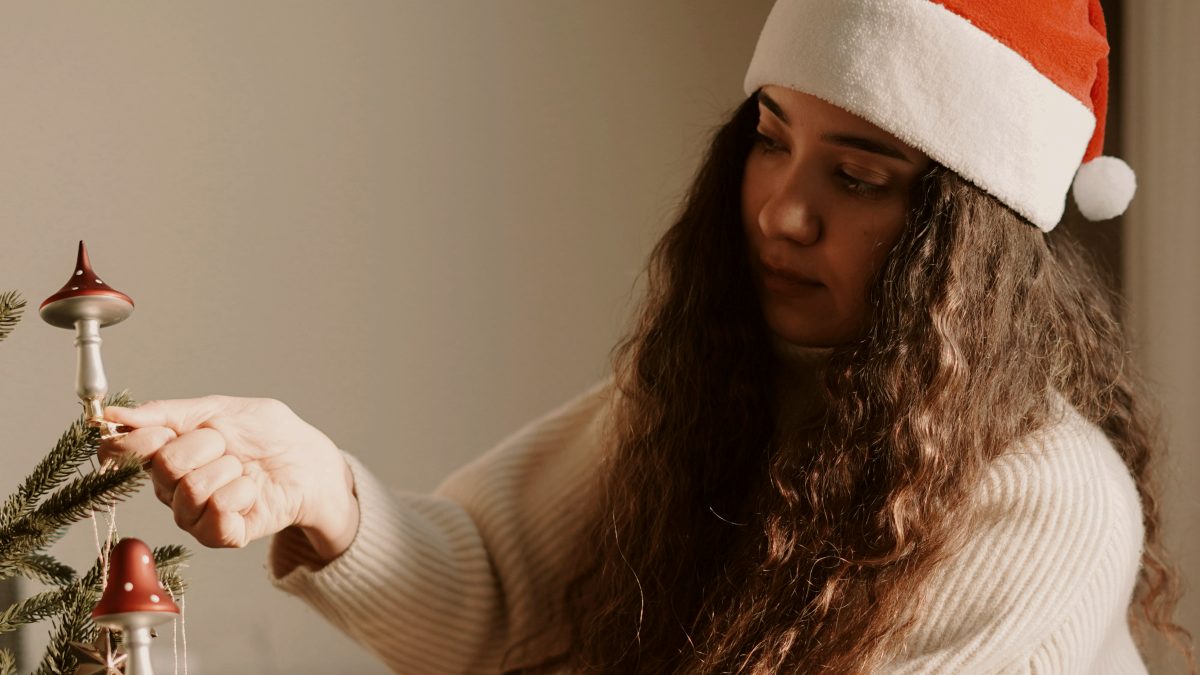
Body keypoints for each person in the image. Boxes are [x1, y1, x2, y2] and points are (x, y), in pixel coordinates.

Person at [99, 1, 1194, 673]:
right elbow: (494, 598)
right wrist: (326, 495)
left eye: (858, 175)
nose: (781, 211)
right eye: (772, 141)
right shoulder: (712, 392)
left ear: (970, 245)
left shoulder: (1048, 498)